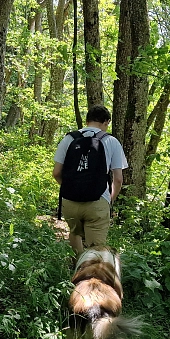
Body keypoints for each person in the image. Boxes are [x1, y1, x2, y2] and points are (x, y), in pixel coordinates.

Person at [52, 105, 127, 255]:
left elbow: (56, 173)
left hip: (70, 201)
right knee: (96, 251)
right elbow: (118, 179)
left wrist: (70, 187)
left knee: (74, 234)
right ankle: (91, 274)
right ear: (106, 122)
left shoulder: (69, 138)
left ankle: (76, 271)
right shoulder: (111, 141)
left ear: (87, 120)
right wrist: (110, 200)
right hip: (98, 201)